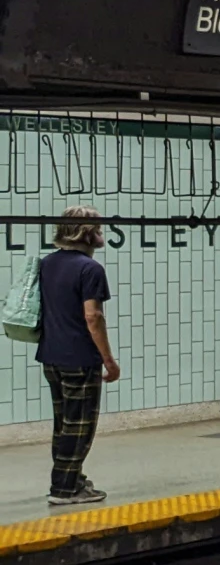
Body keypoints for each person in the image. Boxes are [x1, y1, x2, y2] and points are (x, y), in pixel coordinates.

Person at [37, 206, 118, 506]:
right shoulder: (90, 269)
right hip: (80, 358)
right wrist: (108, 360)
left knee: (63, 423)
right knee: (80, 425)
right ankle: (65, 489)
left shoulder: (47, 263)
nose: (102, 233)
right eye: (98, 228)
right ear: (87, 233)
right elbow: (93, 316)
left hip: (51, 356)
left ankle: (69, 476)